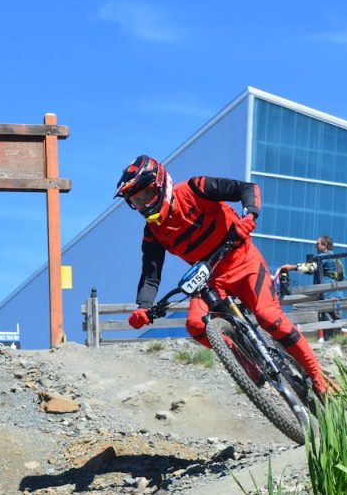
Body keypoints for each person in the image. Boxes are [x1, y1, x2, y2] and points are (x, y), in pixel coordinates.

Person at [113, 154, 331, 397]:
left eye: (146, 195)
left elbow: (247, 188)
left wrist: (250, 215)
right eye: (136, 201)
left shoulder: (195, 188)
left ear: (160, 184)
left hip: (244, 261)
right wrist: (143, 306)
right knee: (195, 325)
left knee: (269, 317)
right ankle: (247, 364)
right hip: (210, 278)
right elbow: (150, 274)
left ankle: (318, 377)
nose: (143, 204)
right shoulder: (153, 232)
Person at [279, 235, 345, 337]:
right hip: (337, 296)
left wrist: (291, 267)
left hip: (327, 296)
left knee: (328, 325)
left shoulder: (324, 257)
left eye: (317, 244)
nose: (315, 246)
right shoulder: (334, 258)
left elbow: (310, 268)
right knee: (335, 325)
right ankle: (336, 341)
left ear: (325, 245)